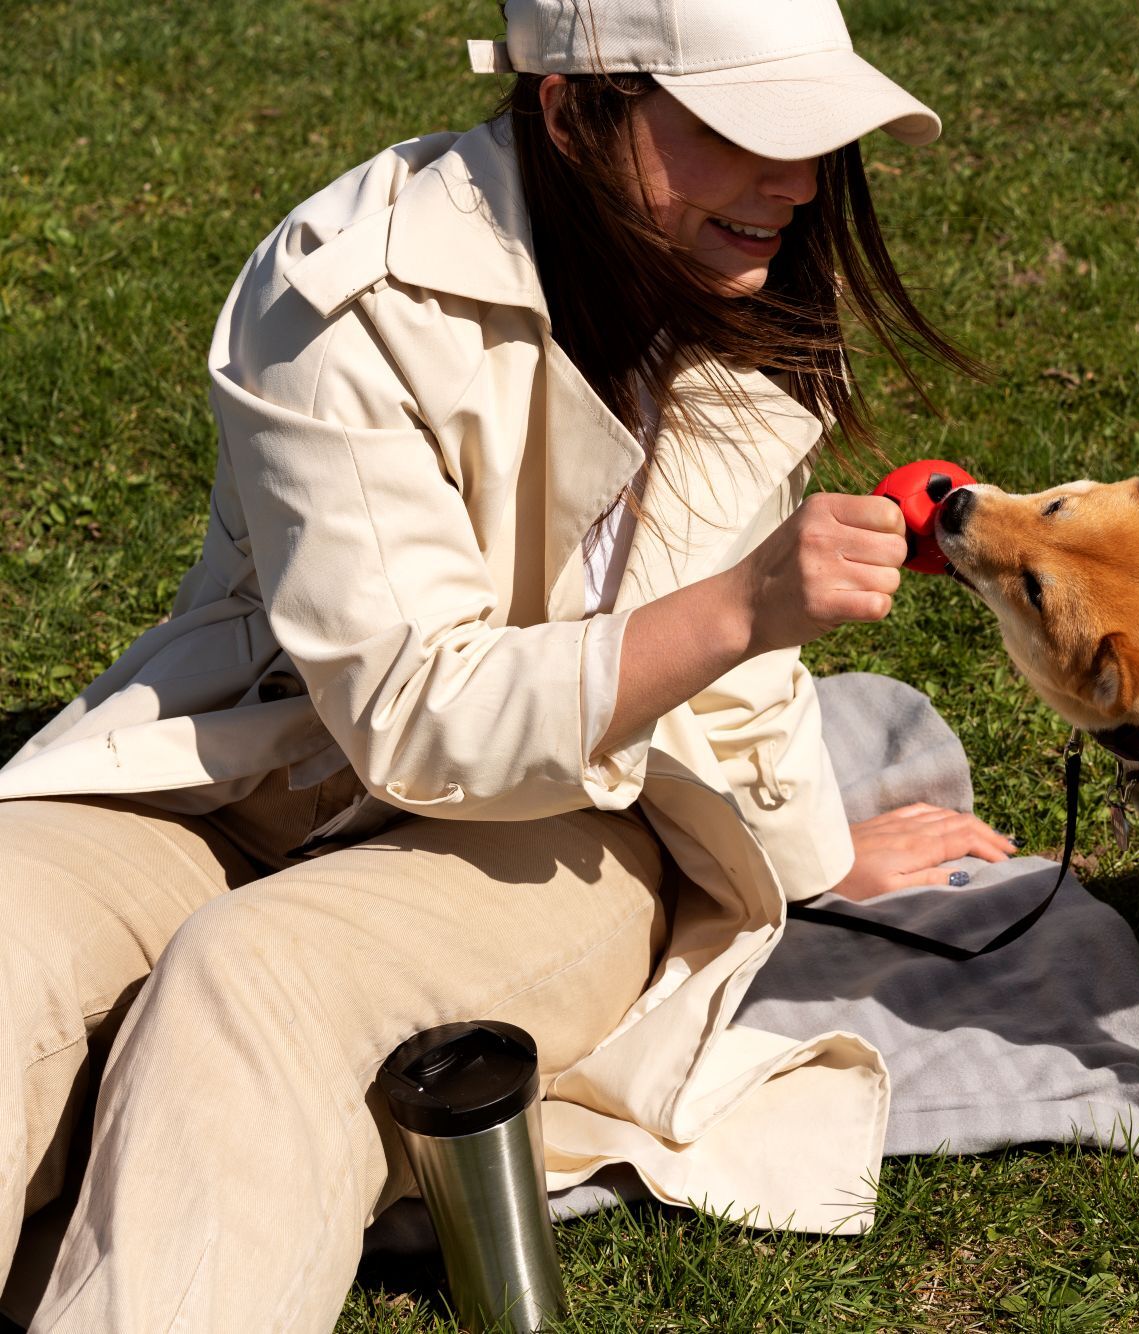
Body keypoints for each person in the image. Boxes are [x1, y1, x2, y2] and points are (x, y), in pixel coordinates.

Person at [0, 1, 1014, 1326]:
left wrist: (814, 858)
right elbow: (412, 714)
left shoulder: (747, 297)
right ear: (569, 110)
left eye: (812, 130)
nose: (798, 178)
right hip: (274, 763)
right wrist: (740, 606)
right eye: (734, 128)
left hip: (577, 834)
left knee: (256, 980)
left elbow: (745, 677)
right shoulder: (342, 293)